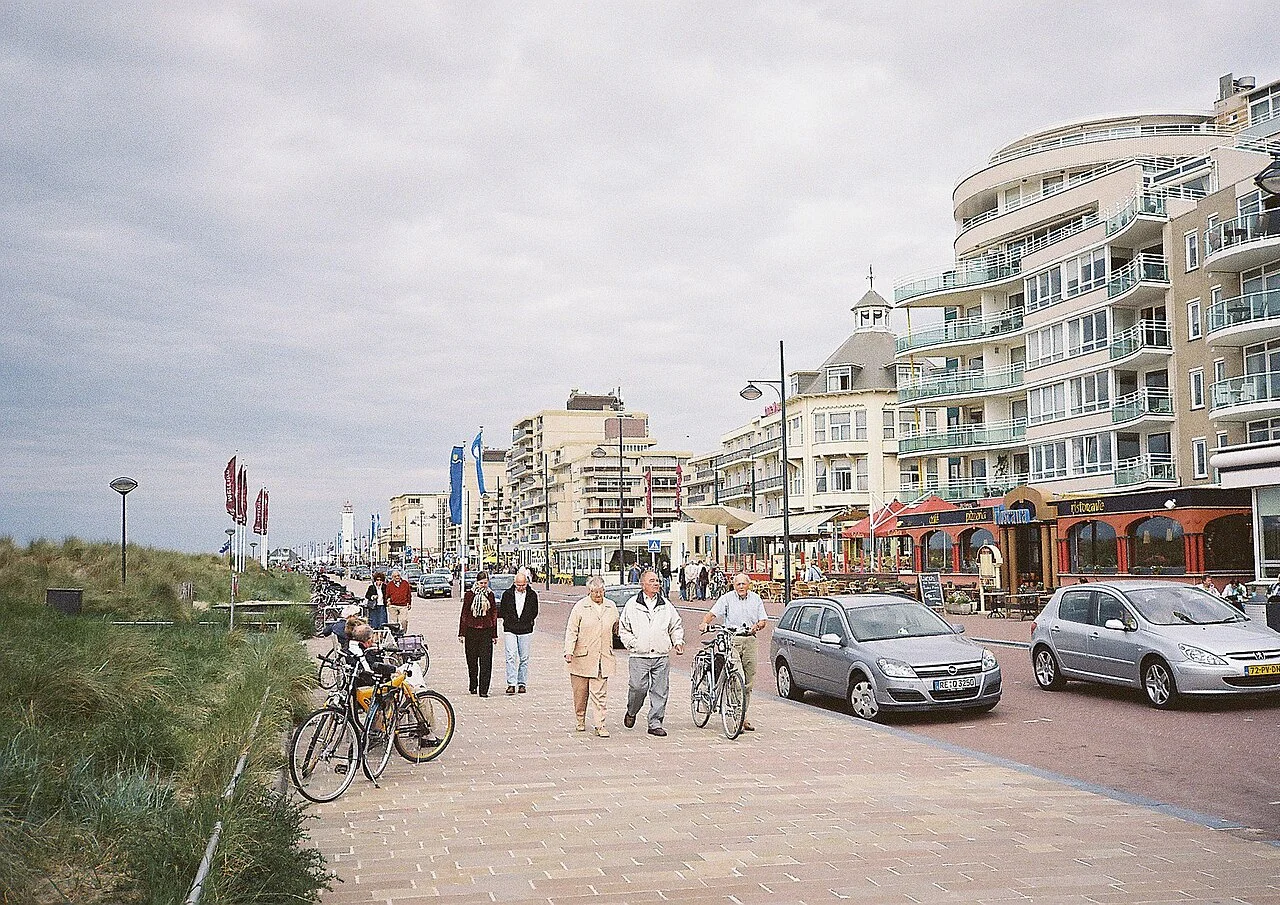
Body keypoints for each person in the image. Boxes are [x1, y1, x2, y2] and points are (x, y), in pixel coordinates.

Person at [618, 570, 684, 737]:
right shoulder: (632, 604)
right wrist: (632, 643)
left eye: (657, 581)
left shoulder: (666, 605)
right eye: (652, 581)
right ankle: (632, 711)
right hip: (639, 655)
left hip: (660, 654)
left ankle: (655, 722)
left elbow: (675, 625)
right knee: (638, 687)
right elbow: (624, 629)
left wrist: (677, 641)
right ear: (643, 584)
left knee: (660, 690)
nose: (656, 583)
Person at [700, 573, 769, 732]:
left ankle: (743, 716)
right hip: (733, 639)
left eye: (744, 584)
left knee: (749, 681)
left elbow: (763, 620)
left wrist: (758, 626)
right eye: (738, 584)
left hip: (750, 639)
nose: (741, 587)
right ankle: (737, 716)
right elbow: (712, 614)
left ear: (749, 584)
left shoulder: (756, 599)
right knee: (738, 677)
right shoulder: (727, 599)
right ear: (733, 585)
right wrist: (704, 623)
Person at [564, 576, 619, 736]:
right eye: (595, 592)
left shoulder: (611, 606)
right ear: (589, 591)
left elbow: (617, 628)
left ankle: (600, 725)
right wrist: (568, 651)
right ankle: (580, 719)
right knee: (580, 694)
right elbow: (571, 630)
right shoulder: (580, 607)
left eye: (601, 591)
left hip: (603, 657)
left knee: (600, 694)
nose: (598, 595)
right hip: (581, 657)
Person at [498, 568, 539, 694]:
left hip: (525, 629)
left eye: (523, 585)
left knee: (524, 657)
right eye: (519, 585)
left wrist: (528, 621)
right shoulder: (507, 595)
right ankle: (511, 683)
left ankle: (522, 683)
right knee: (510, 656)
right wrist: (509, 620)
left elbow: (534, 611)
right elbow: (503, 610)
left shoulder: (532, 595)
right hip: (510, 628)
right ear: (514, 583)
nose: (521, 587)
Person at [459, 571, 499, 696]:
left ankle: (484, 690)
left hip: (486, 631)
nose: (483, 585)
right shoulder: (469, 595)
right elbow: (464, 613)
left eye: (485, 583)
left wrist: (494, 634)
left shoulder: (490, 595)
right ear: (477, 582)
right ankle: (473, 684)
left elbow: (494, 614)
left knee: (486, 662)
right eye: (481, 583)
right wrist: (462, 633)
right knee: (472, 661)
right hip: (471, 630)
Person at [384, 568, 413, 635]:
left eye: (398, 576)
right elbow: (387, 595)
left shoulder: (405, 583)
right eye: (395, 576)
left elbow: (409, 594)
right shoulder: (389, 585)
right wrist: (388, 601)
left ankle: (403, 633)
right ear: (392, 577)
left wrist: (409, 603)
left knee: (404, 620)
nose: (397, 577)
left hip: (403, 605)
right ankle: (394, 634)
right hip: (393, 605)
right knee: (394, 623)